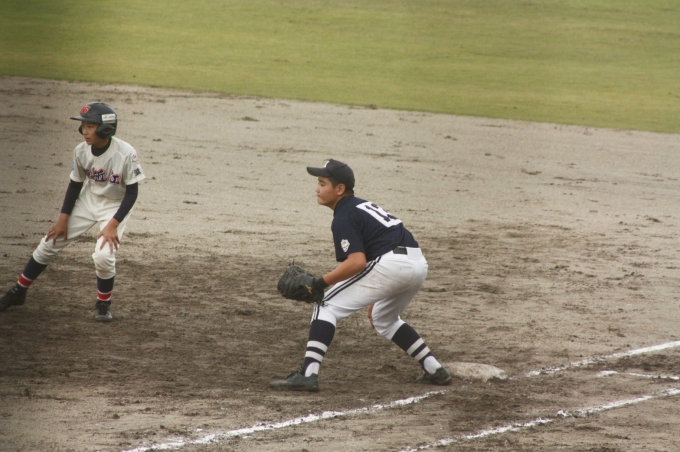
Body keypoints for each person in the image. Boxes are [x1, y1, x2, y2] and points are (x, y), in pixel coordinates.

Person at [270, 159, 451, 391]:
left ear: (339, 189)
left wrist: (318, 283)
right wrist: (376, 291)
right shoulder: (362, 206)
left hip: (391, 265)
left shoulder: (343, 216)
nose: (317, 189)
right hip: (417, 264)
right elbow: (379, 249)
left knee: (325, 306)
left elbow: (357, 262)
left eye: (322, 184)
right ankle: (434, 369)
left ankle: (308, 374)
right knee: (383, 318)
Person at [0, 102, 145, 322]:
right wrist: (63, 219)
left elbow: (132, 193)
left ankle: (103, 304)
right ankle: (18, 291)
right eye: (83, 126)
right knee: (50, 242)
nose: (85, 131)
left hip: (116, 205)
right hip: (89, 199)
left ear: (106, 129)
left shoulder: (125, 153)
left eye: (90, 126)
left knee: (103, 256)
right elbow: (75, 185)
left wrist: (113, 224)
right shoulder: (80, 151)